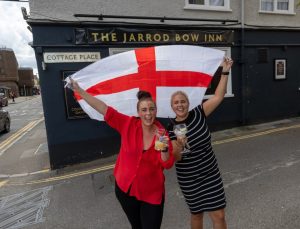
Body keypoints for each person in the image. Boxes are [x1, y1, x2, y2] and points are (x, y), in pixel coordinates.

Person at [69, 79, 174, 229]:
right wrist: (79, 91)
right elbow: (104, 108)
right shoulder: (128, 125)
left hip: (151, 193)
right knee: (136, 226)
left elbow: (167, 164)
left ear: (156, 110)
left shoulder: (161, 133)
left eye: (152, 109)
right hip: (125, 190)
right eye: (144, 110)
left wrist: (163, 146)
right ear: (138, 112)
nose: (148, 114)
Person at [167, 57, 233, 229]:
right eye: (176, 103)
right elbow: (177, 159)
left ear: (188, 103)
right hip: (189, 178)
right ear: (172, 107)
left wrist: (225, 71)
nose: (180, 105)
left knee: (219, 215)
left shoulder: (199, 113)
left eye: (183, 101)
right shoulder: (170, 128)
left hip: (210, 172)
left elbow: (219, 96)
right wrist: (179, 145)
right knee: (197, 214)